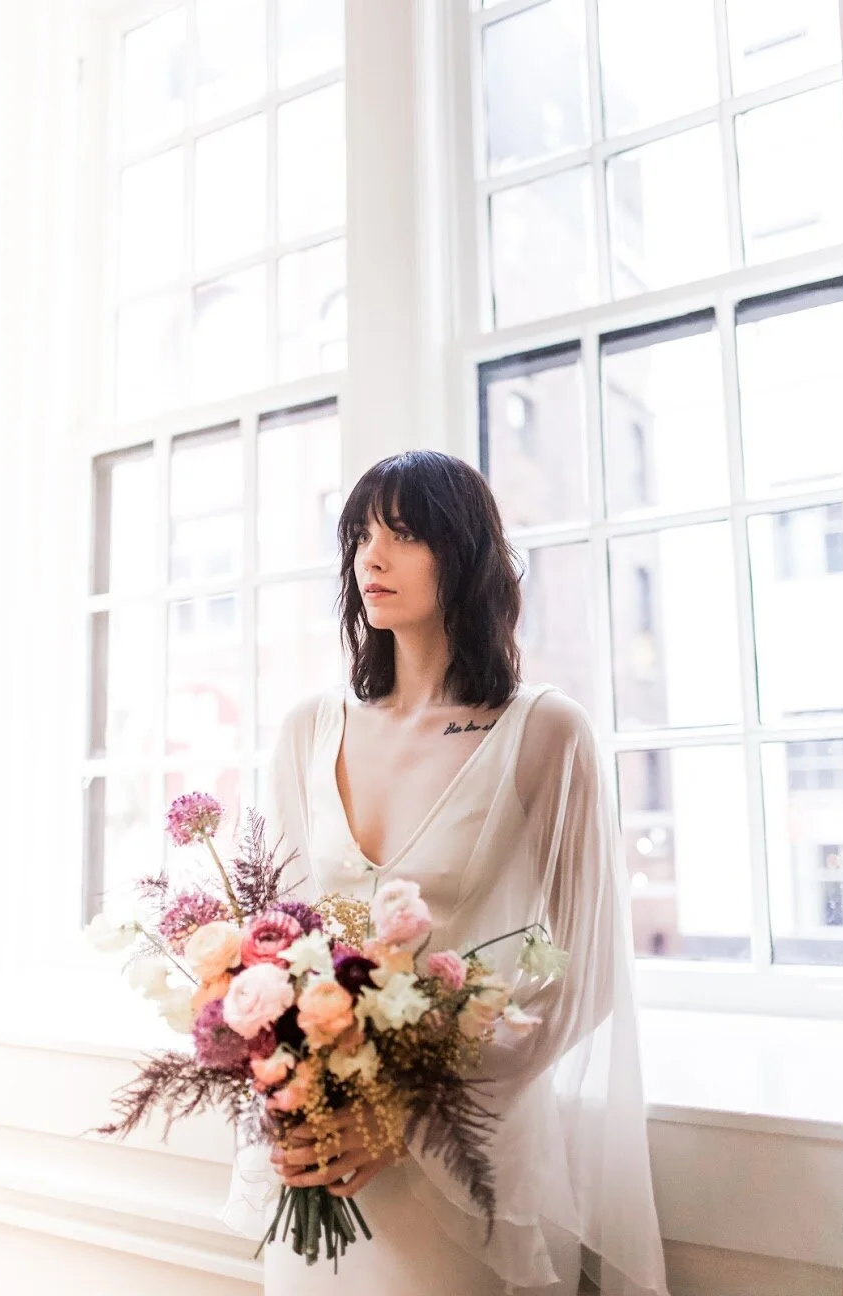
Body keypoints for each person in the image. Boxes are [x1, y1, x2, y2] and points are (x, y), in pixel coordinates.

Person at [220, 450, 670, 1296]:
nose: (370, 559)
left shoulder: (546, 733)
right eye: (359, 535)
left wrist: (405, 1117)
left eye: (403, 534)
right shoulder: (307, 729)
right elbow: (271, 946)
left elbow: (584, 978)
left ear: (463, 555)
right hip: (320, 1152)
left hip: (461, 1167)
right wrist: (294, 1083)